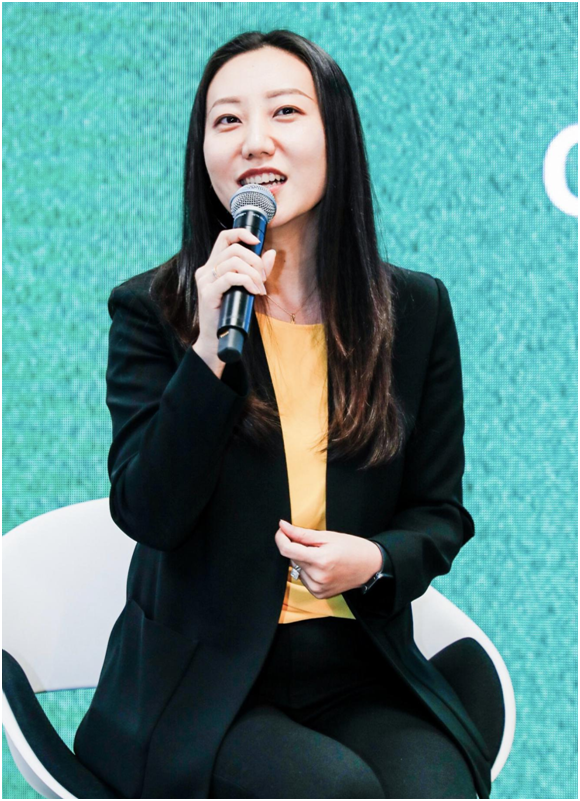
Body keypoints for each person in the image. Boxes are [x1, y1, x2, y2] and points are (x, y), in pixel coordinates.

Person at [73, 30, 504, 799]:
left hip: (360, 669)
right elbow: (149, 511)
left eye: (284, 112)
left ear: (336, 134)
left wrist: (373, 560)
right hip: (203, 688)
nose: (254, 140)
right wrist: (208, 348)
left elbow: (438, 512)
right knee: (336, 790)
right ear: (204, 152)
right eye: (227, 120)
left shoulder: (415, 311)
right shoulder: (154, 308)